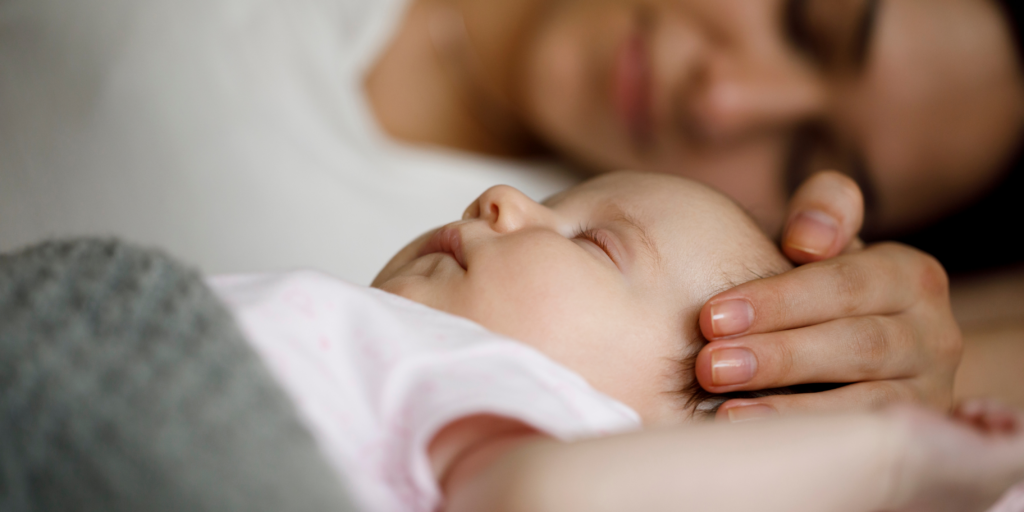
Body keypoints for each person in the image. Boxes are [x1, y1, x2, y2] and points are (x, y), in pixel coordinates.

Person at [0, 0, 1016, 417]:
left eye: (805, 155)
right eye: (806, 20)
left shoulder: (594, 348)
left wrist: (895, 384)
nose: (724, 101)